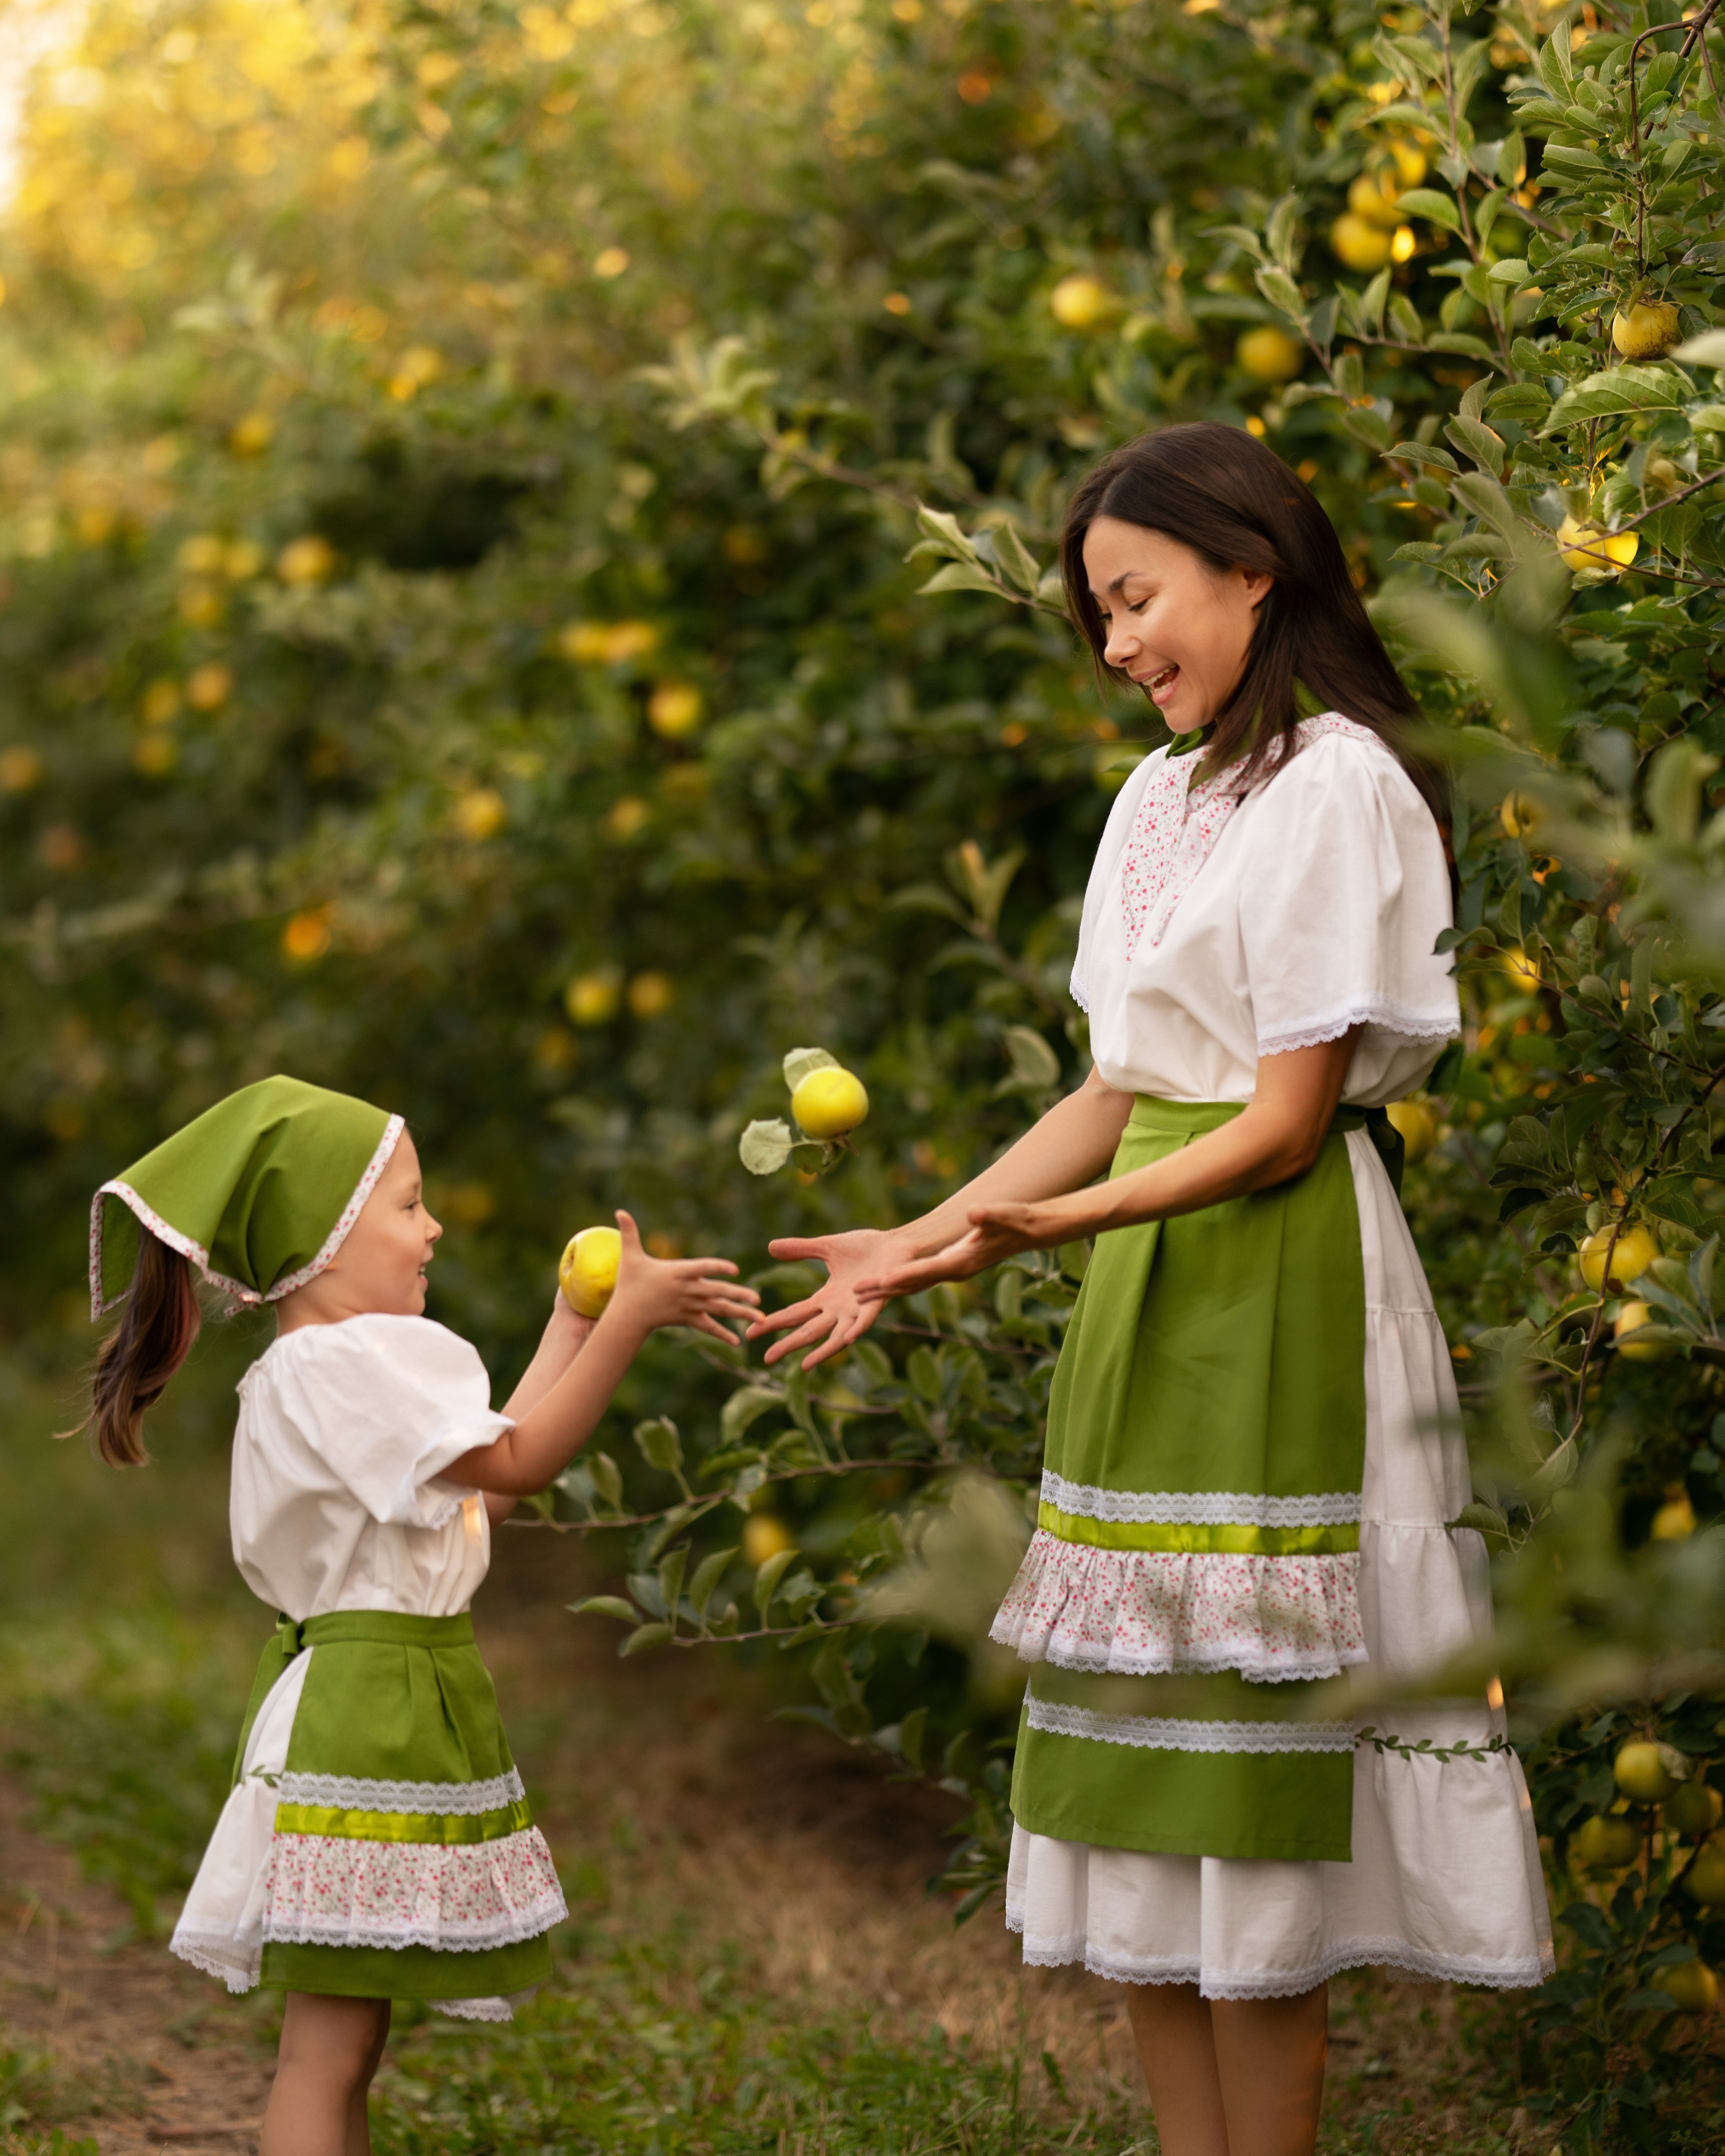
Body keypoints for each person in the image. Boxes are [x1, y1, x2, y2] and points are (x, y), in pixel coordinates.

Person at [749, 424, 1552, 2156]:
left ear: (1251, 568)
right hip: (1148, 1283)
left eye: (1133, 598)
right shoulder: (1158, 796)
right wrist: (924, 1234)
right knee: (1140, 1781)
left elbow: (1273, 1124)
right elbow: (1113, 1086)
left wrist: (1061, 1231)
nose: (1115, 644)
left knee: (1247, 1814)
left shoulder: (1336, 782)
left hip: (1278, 1288)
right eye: (1098, 615)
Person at [80, 1074, 759, 2156]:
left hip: (387, 1692)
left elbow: (481, 1481)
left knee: (350, 2041)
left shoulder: (336, 1367)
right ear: (326, 1240)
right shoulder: (344, 1366)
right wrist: (625, 1326)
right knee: (330, 2050)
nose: (433, 1224)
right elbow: (523, 1463)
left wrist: (569, 1325)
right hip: (367, 1704)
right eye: (406, 1204)